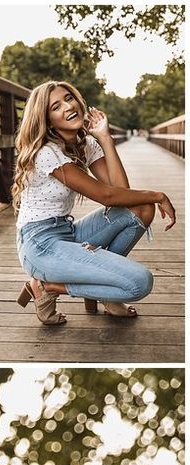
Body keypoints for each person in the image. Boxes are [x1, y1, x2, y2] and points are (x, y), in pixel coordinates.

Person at [12, 81, 175, 326]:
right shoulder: (47, 152)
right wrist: (158, 194)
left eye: (69, 98)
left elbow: (121, 193)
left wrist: (105, 138)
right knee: (139, 282)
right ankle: (48, 287)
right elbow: (106, 197)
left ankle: (103, 293)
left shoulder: (85, 144)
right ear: (46, 120)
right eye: (56, 106)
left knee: (140, 208)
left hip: (67, 232)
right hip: (40, 245)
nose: (68, 106)